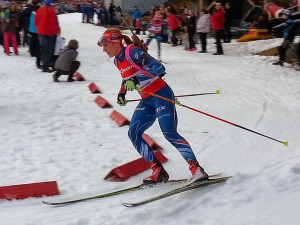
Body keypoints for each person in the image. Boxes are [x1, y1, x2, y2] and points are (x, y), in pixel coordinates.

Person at [97, 28, 209, 184]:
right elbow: (127, 77)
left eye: (105, 45)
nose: (104, 49)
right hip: (147, 100)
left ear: (115, 42)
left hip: (161, 94)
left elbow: (159, 68)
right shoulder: (117, 60)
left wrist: (136, 81)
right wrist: (121, 93)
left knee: (169, 132)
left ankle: (196, 169)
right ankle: (158, 171)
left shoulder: (133, 52)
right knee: (134, 133)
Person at [35, 0, 60, 72]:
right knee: (48, 50)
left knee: (42, 48)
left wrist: (39, 28)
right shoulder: (51, 11)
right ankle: (46, 65)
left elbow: (36, 21)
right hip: (49, 33)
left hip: (40, 32)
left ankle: (40, 62)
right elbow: (53, 23)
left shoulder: (39, 10)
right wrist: (56, 31)